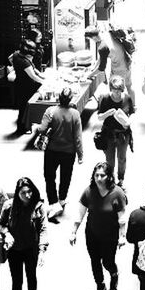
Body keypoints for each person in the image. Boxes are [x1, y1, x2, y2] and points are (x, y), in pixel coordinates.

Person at [0, 176, 48, 290]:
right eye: (23, 192)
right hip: (15, 250)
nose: (27, 195)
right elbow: (0, 225)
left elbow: (43, 230)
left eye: (29, 191)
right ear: (17, 193)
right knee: (17, 282)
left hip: (31, 249)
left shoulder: (38, 207)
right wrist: (6, 234)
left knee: (31, 277)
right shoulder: (8, 206)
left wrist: (42, 251)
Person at [70, 162, 128, 290]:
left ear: (109, 176)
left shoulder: (117, 193)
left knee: (107, 261)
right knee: (95, 260)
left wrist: (122, 236)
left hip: (110, 235)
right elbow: (80, 214)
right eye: (97, 175)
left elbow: (122, 218)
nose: (99, 178)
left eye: (102, 175)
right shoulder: (89, 191)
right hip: (92, 233)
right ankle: (100, 286)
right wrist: (73, 232)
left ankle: (114, 276)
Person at [36, 86, 83, 219]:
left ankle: (53, 202)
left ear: (58, 98)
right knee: (66, 176)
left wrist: (36, 127)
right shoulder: (75, 114)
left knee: (49, 176)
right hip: (69, 152)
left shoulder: (50, 111)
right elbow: (78, 137)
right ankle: (62, 199)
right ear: (70, 99)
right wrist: (80, 155)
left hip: (52, 151)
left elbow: (42, 129)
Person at [96, 75, 134, 186]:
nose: (117, 93)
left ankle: (121, 179)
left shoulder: (127, 98)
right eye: (114, 90)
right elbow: (99, 117)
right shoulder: (104, 98)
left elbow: (131, 113)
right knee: (110, 160)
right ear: (110, 89)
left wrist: (128, 122)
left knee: (122, 158)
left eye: (119, 91)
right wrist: (108, 113)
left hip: (123, 134)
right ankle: (110, 178)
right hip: (108, 134)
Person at [10, 38, 45, 135]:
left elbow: (33, 68)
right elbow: (33, 76)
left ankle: (25, 126)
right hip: (24, 86)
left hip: (20, 83)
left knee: (23, 107)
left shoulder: (17, 54)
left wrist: (42, 76)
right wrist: (44, 82)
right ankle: (22, 129)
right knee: (24, 108)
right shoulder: (23, 62)